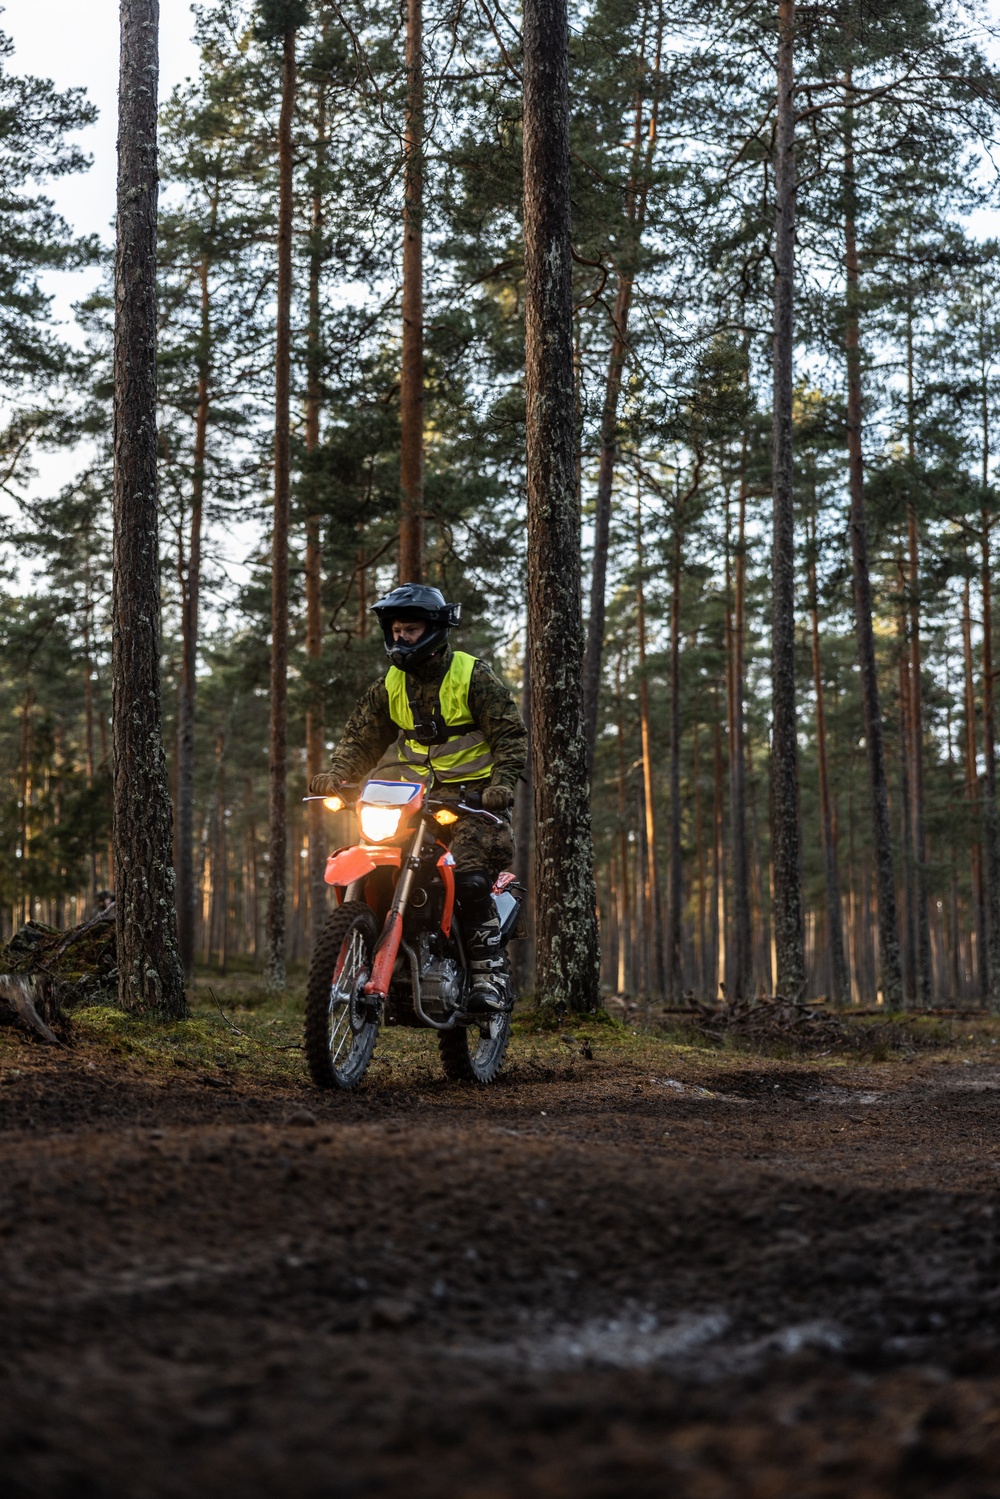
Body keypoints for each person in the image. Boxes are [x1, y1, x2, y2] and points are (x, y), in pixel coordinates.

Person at [309, 585, 528, 1009]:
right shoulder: (390, 683)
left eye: (410, 629)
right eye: (395, 630)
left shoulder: (472, 675)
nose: (401, 637)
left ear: (434, 629)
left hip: (471, 802)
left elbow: (510, 736)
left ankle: (489, 975)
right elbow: (361, 738)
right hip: (407, 800)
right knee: (371, 859)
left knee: (468, 875)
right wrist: (338, 776)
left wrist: (500, 785)